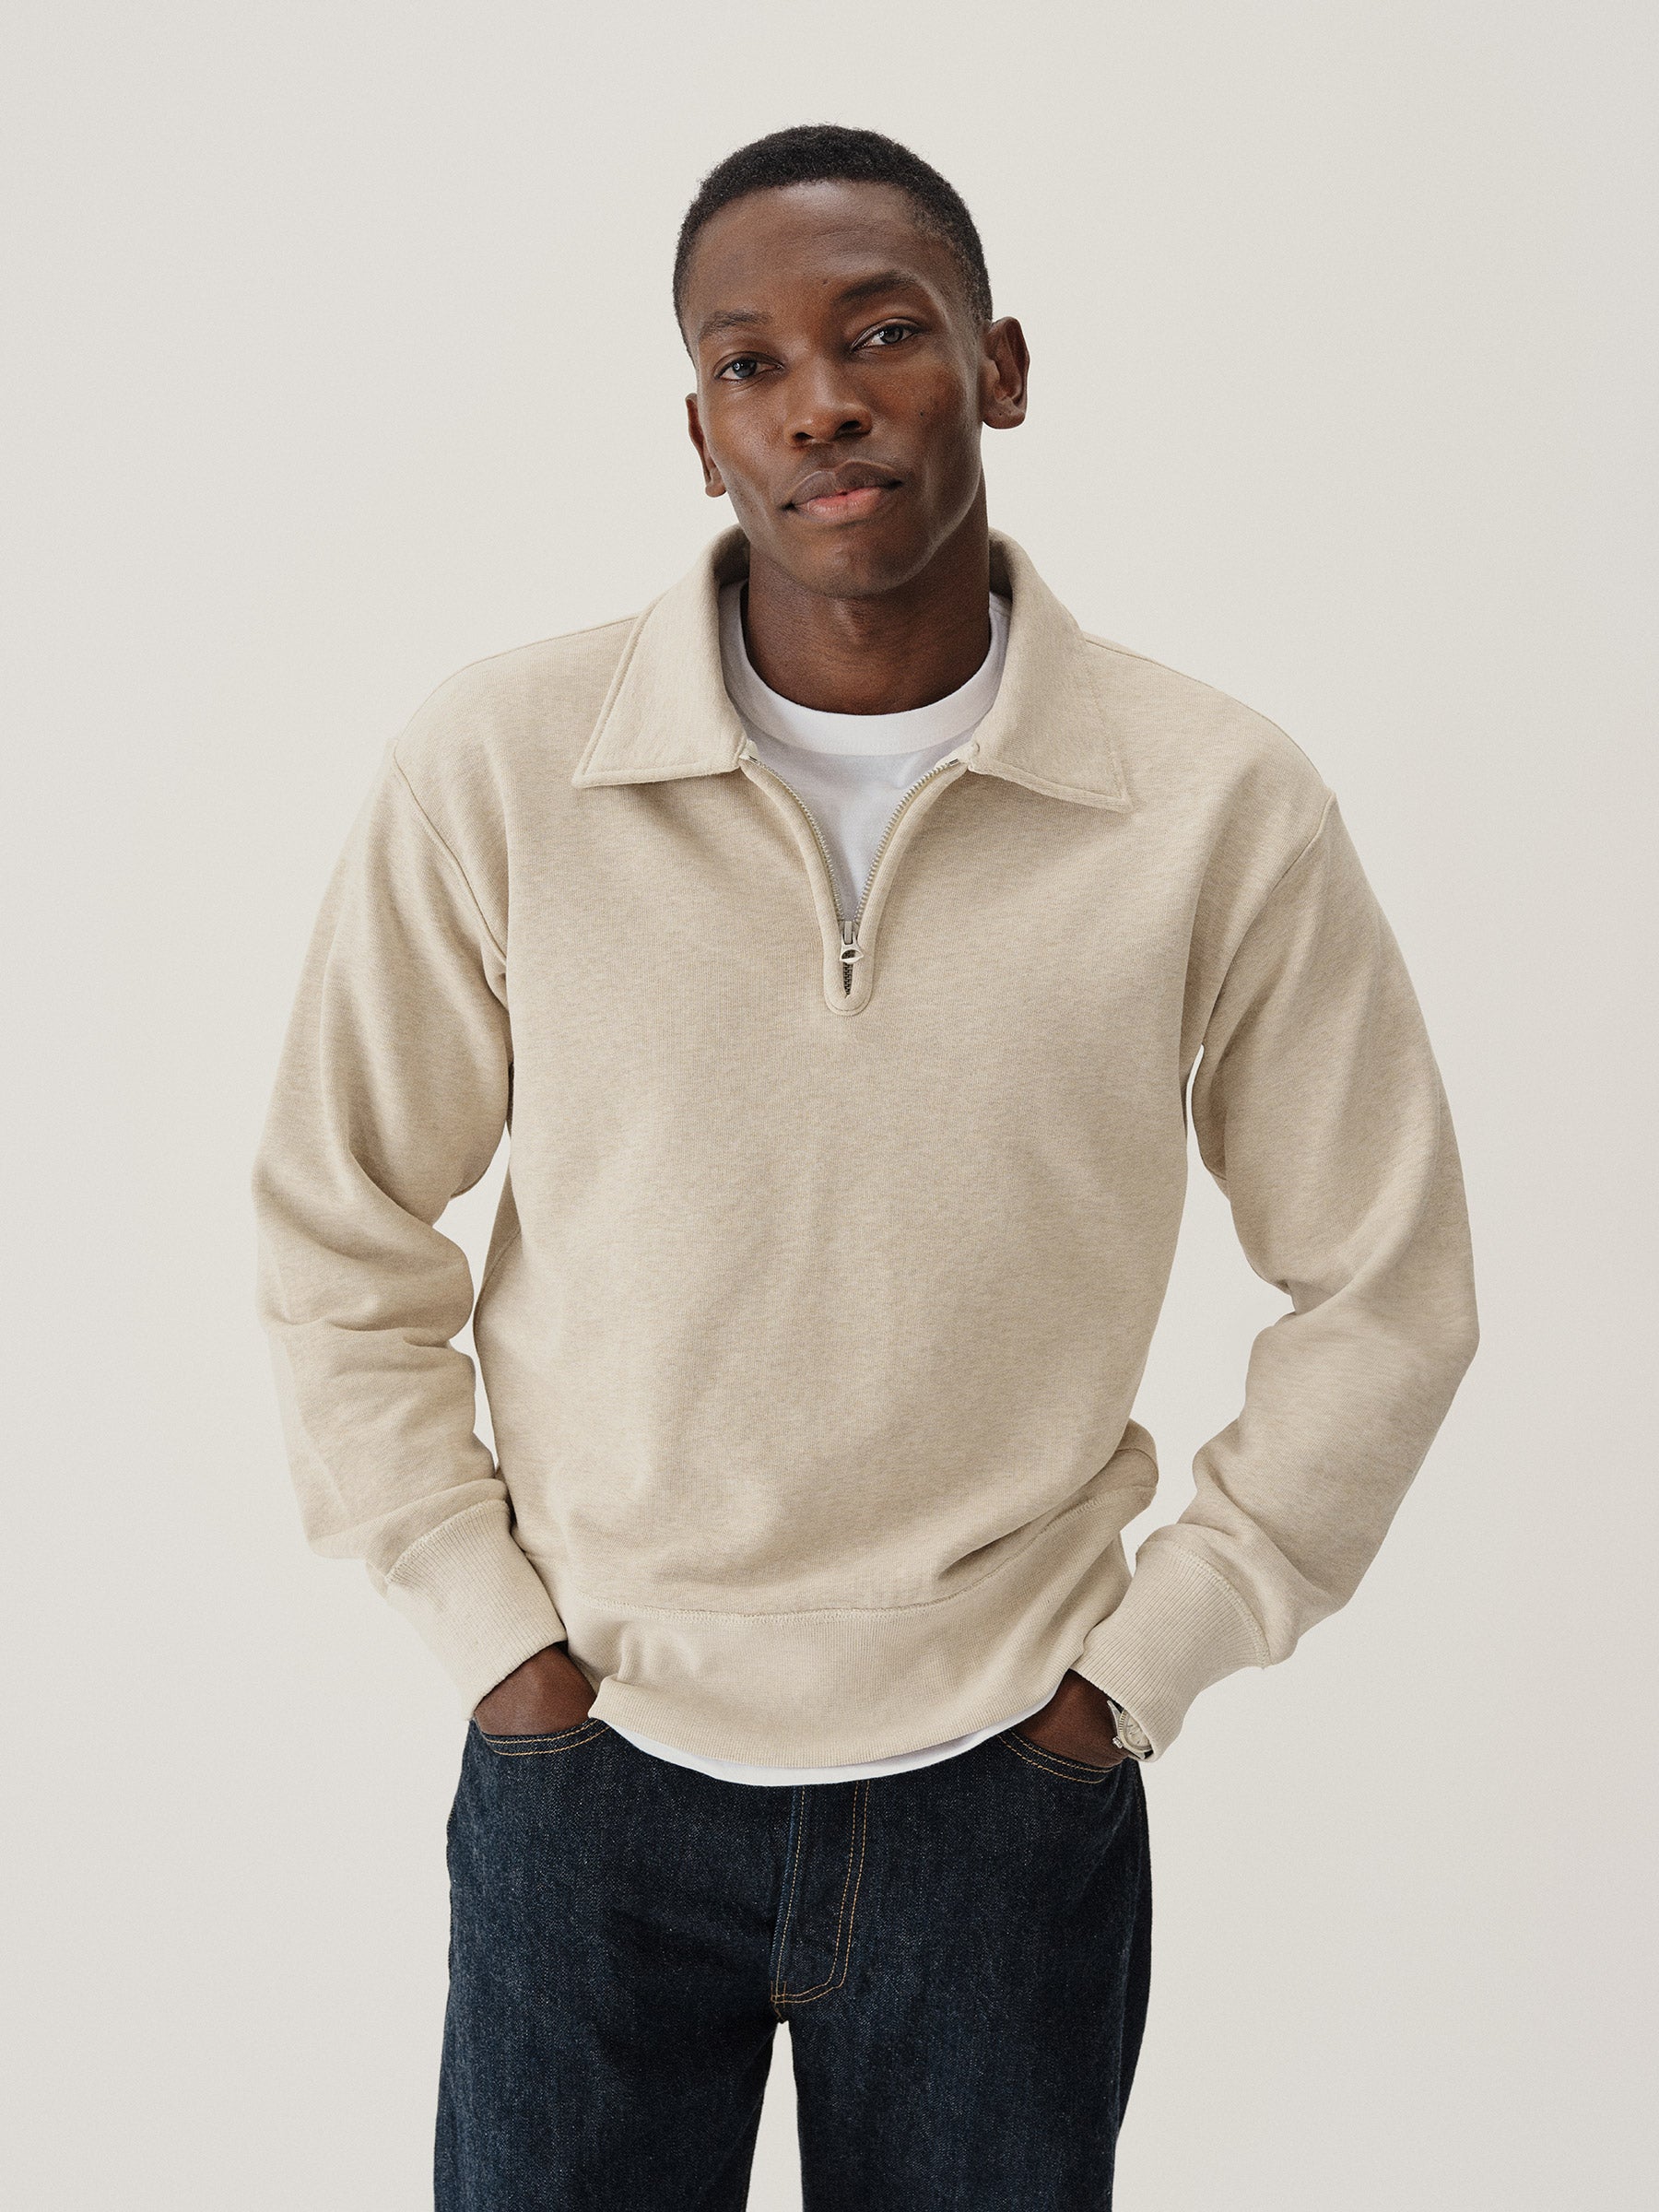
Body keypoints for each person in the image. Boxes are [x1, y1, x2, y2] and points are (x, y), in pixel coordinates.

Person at [252, 124, 1479, 2211]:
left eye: (883, 332)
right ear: (701, 434)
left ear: (1001, 369)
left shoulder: (1212, 802)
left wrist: (1138, 1675)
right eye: (750, 362)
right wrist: (491, 1637)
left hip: (1008, 1784)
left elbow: (1387, 1284)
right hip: (592, 1764)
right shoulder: (502, 767)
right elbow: (337, 1223)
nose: (819, 398)